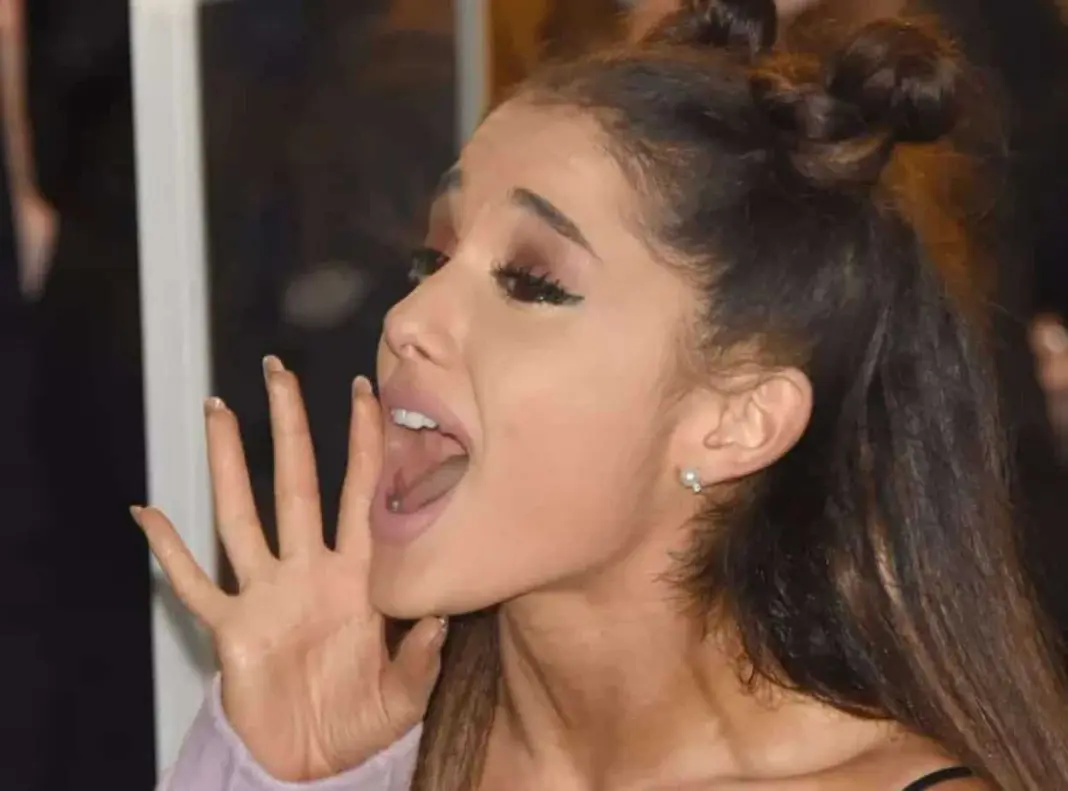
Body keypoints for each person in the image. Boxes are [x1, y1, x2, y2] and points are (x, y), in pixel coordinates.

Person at [142, 3, 1068, 790]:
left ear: (737, 419)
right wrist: (279, 773)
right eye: (432, 257)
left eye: (530, 282)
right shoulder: (374, 751)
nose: (410, 316)